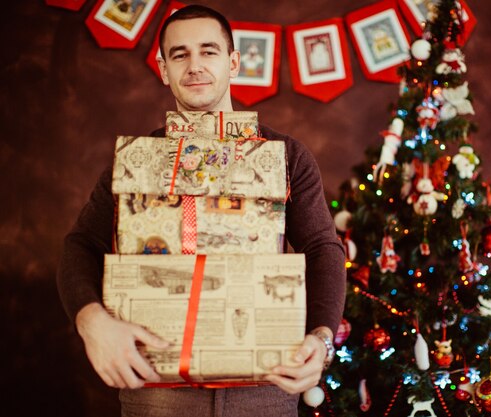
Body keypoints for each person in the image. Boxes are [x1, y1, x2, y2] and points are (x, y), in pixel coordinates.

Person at [56, 5, 346, 417]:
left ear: (233, 62)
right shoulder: (138, 159)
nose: (195, 66)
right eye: (180, 54)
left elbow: (323, 248)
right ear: (162, 68)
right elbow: (80, 245)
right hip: (157, 392)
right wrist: (91, 321)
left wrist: (320, 339)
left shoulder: (286, 156)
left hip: (264, 390)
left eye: (208, 52)